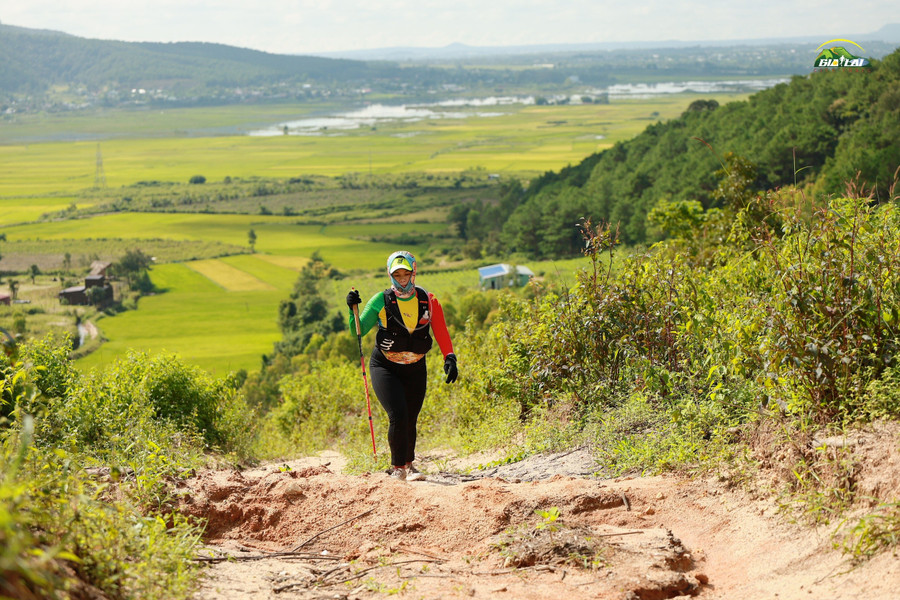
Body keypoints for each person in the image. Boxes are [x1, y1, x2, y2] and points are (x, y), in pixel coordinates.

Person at [346, 250, 458, 482]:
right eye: (397, 274)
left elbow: (440, 330)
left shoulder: (428, 299)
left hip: (416, 367)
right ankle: (398, 469)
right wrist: (352, 309)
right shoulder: (380, 300)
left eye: (406, 273)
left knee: (411, 417)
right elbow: (358, 331)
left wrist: (450, 357)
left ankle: (409, 464)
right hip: (385, 366)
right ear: (390, 275)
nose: (402, 278)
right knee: (398, 414)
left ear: (413, 272)